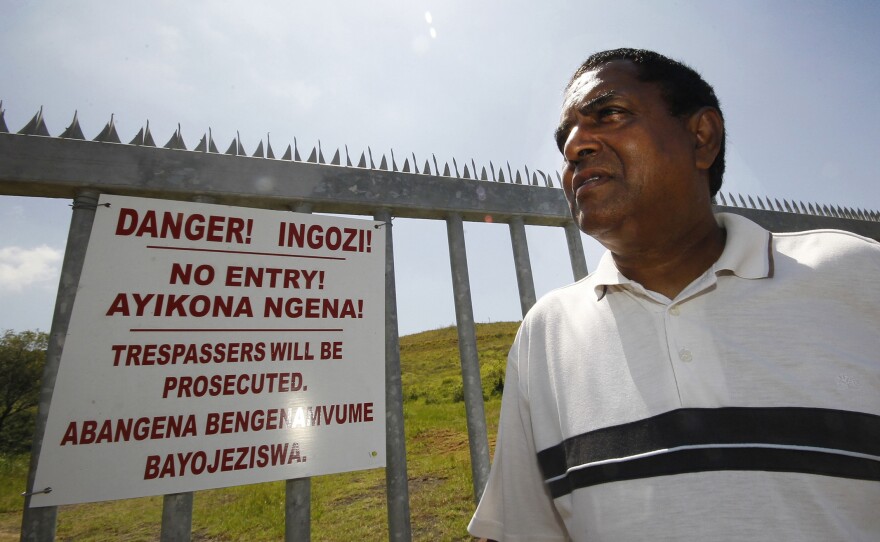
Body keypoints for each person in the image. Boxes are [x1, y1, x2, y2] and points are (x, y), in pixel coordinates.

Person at [467, 48, 880, 541]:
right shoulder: (548, 333)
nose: (575, 146)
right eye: (565, 139)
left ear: (701, 137)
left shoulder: (857, 274)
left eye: (610, 114)